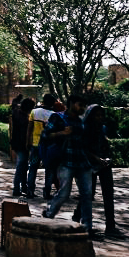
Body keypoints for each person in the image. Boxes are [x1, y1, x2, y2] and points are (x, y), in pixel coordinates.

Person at [41, 94, 99, 238]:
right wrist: (62, 133)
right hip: (65, 161)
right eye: (80, 105)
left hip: (82, 162)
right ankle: (49, 215)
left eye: (84, 106)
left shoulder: (81, 121)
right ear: (72, 103)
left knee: (87, 194)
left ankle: (87, 226)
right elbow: (45, 135)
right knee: (64, 193)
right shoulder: (58, 117)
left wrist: (96, 159)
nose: (82, 108)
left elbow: (83, 143)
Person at [74, 104, 123, 238]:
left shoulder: (102, 129)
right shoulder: (84, 129)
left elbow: (104, 145)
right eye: (97, 115)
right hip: (89, 165)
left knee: (108, 195)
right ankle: (77, 217)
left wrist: (106, 159)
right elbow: (83, 149)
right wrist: (97, 159)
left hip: (104, 165)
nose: (100, 118)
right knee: (88, 194)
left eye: (101, 115)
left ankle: (110, 226)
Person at [27, 93, 58, 199]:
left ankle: (30, 191)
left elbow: (29, 128)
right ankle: (47, 192)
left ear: (43, 101)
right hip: (48, 146)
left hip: (35, 144)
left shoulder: (34, 112)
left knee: (33, 167)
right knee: (49, 169)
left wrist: (28, 141)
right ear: (53, 103)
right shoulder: (54, 115)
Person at [11, 97, 35, 196]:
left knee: (23, 166)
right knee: (21, 166)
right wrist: (27, 144)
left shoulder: (16, 113)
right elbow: (24, 133)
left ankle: (23, 188)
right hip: (22, 144)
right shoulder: (25, 118)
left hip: (16, 143)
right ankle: (17, 189)